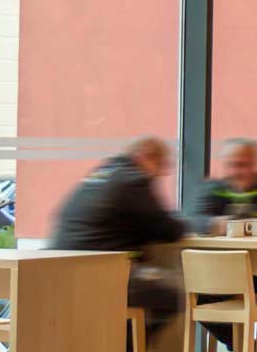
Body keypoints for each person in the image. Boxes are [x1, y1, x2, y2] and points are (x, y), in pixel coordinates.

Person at [50, 136, 188, 321]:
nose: (159, 176)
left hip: (63, 271)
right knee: (179, 295)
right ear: (147, 157)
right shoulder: (133, 180)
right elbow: (166, 228)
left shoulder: (100, 173)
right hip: (104, 274)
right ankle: (128, 349)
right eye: (160, 166)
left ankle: (121, 344)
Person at [191, 138, 257, 230]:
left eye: (242, 165)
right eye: (229, 165)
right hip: (222, 250)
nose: (234, 172)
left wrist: (242, 225)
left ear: (255, 163)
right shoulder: (213, 188)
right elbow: (194, 220)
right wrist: (213, 224)